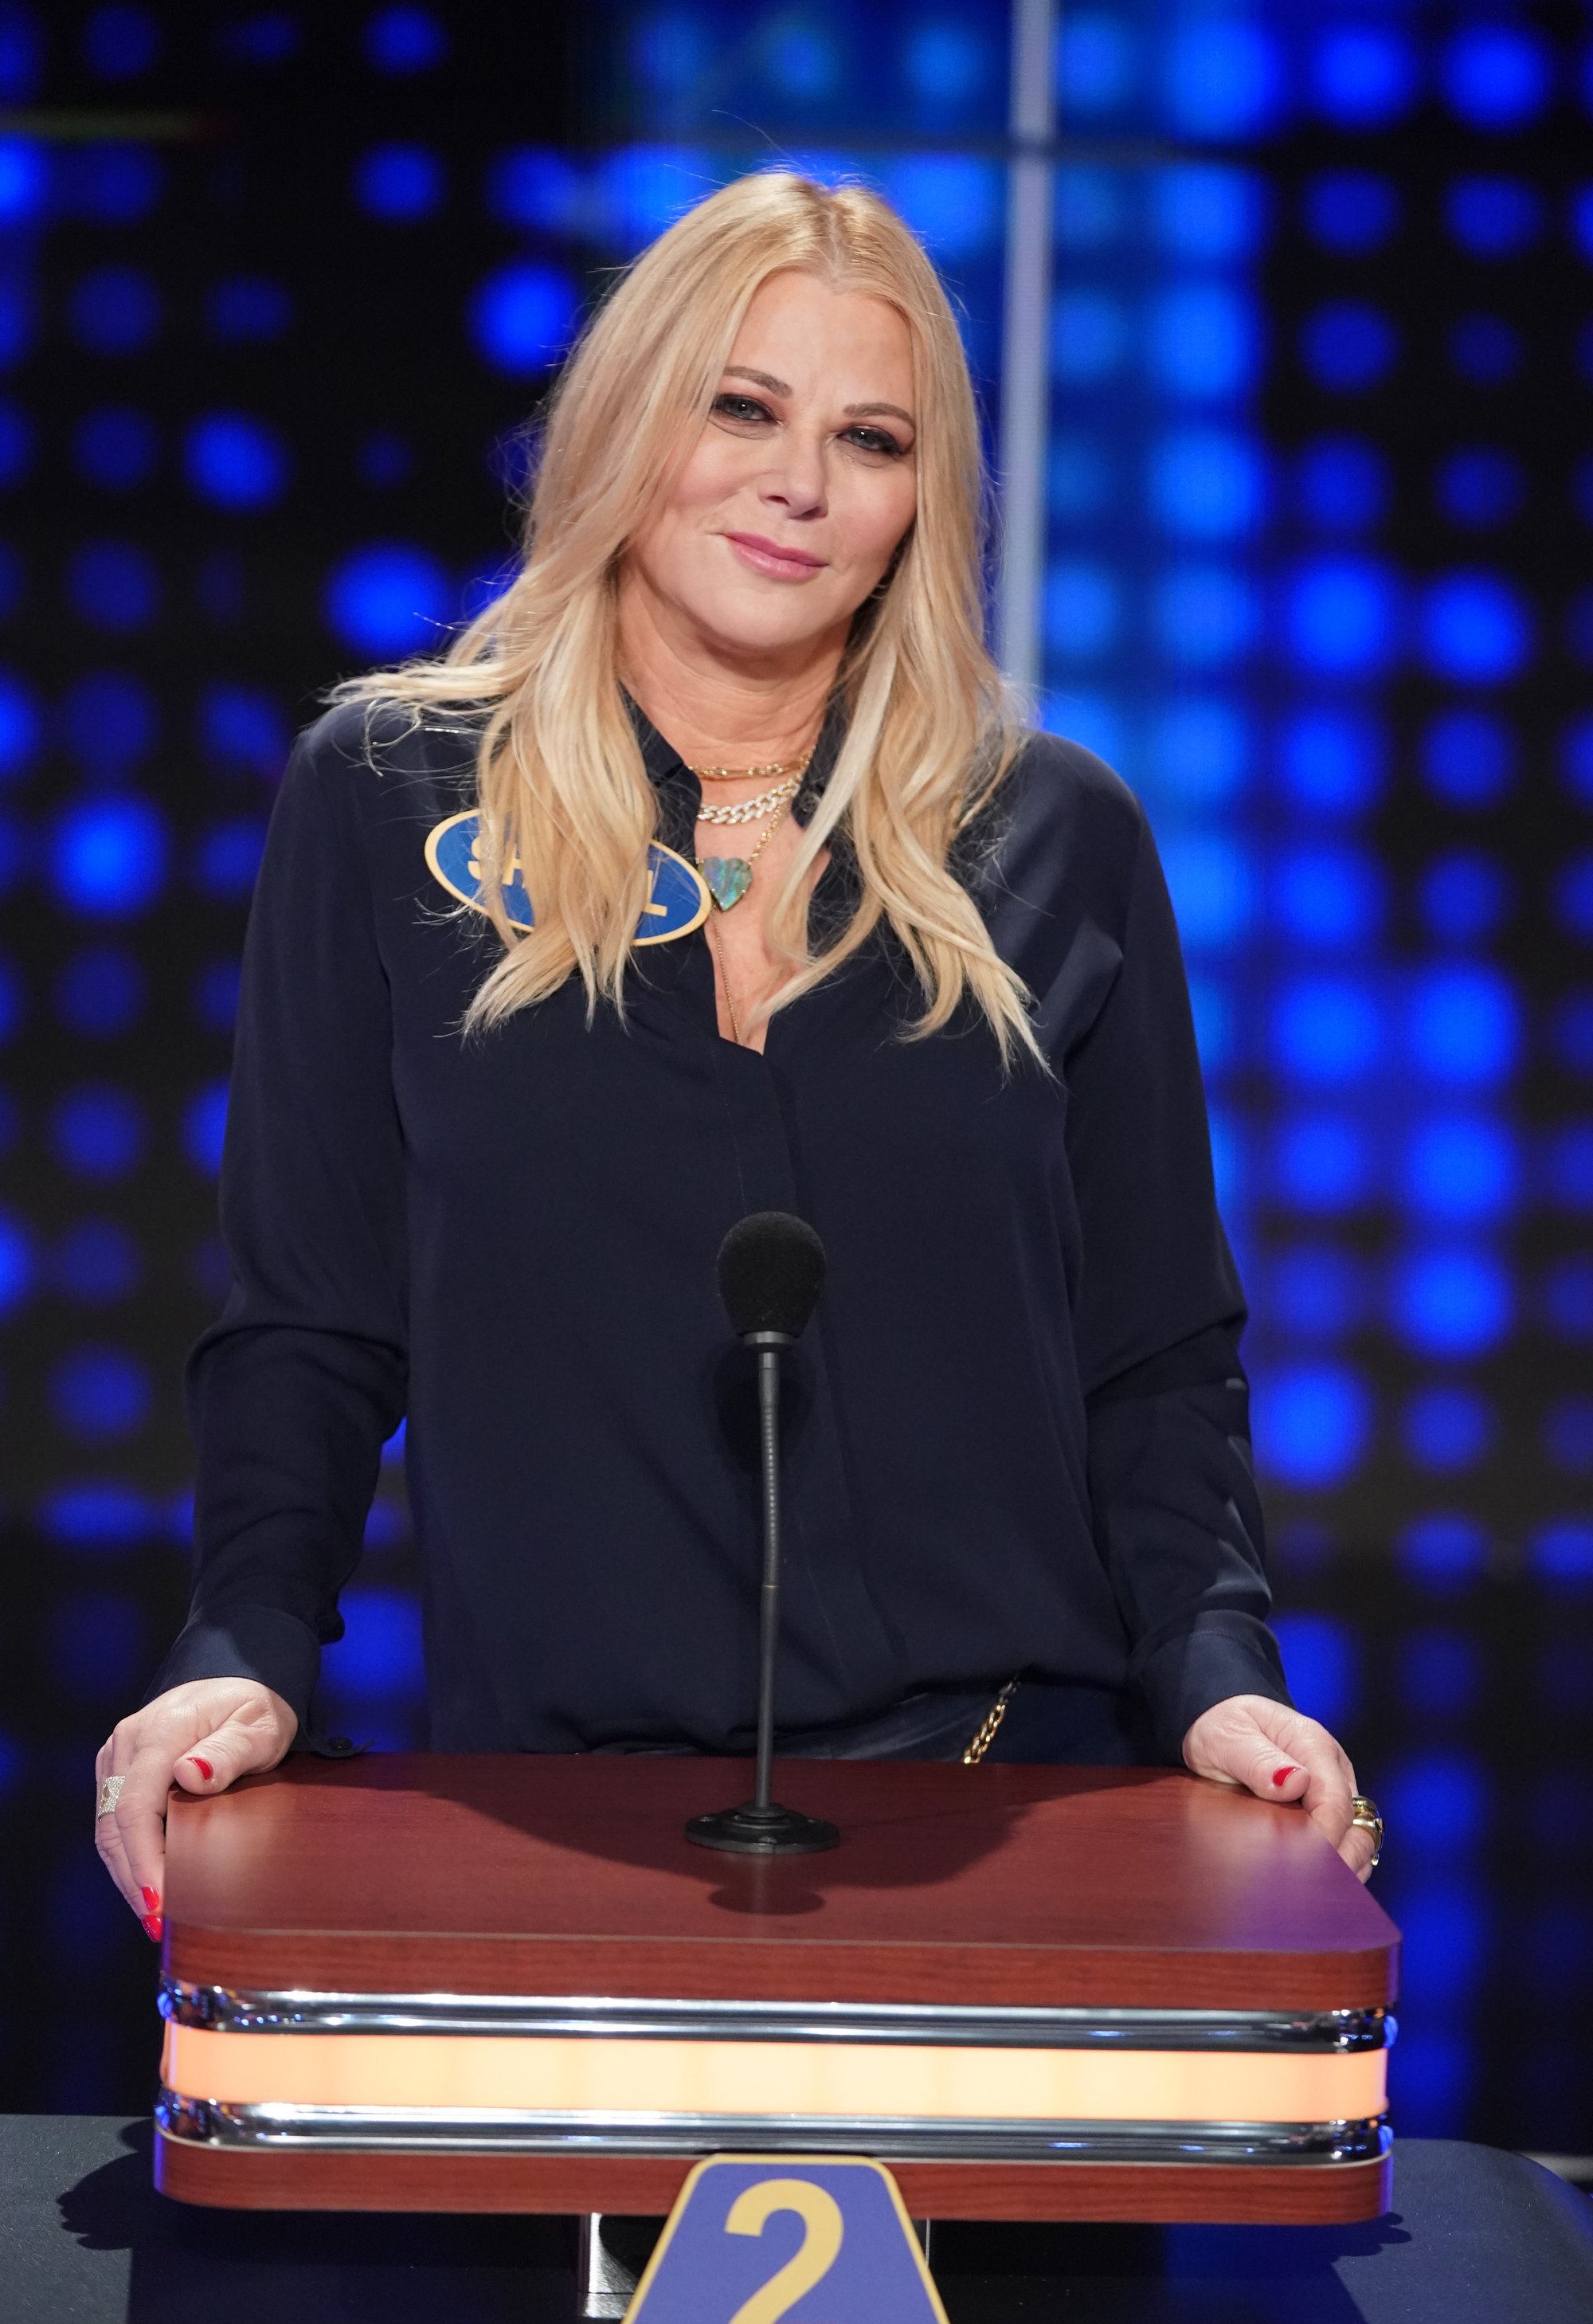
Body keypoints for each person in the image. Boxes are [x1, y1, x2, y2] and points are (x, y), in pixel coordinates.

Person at [94, 173, 1381, 1942]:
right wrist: (243, 1648)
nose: (800, 483)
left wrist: (1219, 1672)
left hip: (1017, 1800)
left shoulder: (1056, 832)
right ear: (627, 421)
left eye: (871, 436)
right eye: (742, 407)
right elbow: (312, 1321)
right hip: (547, 1824)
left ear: (922, 501)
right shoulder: (385, 795)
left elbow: (1155, 1351)